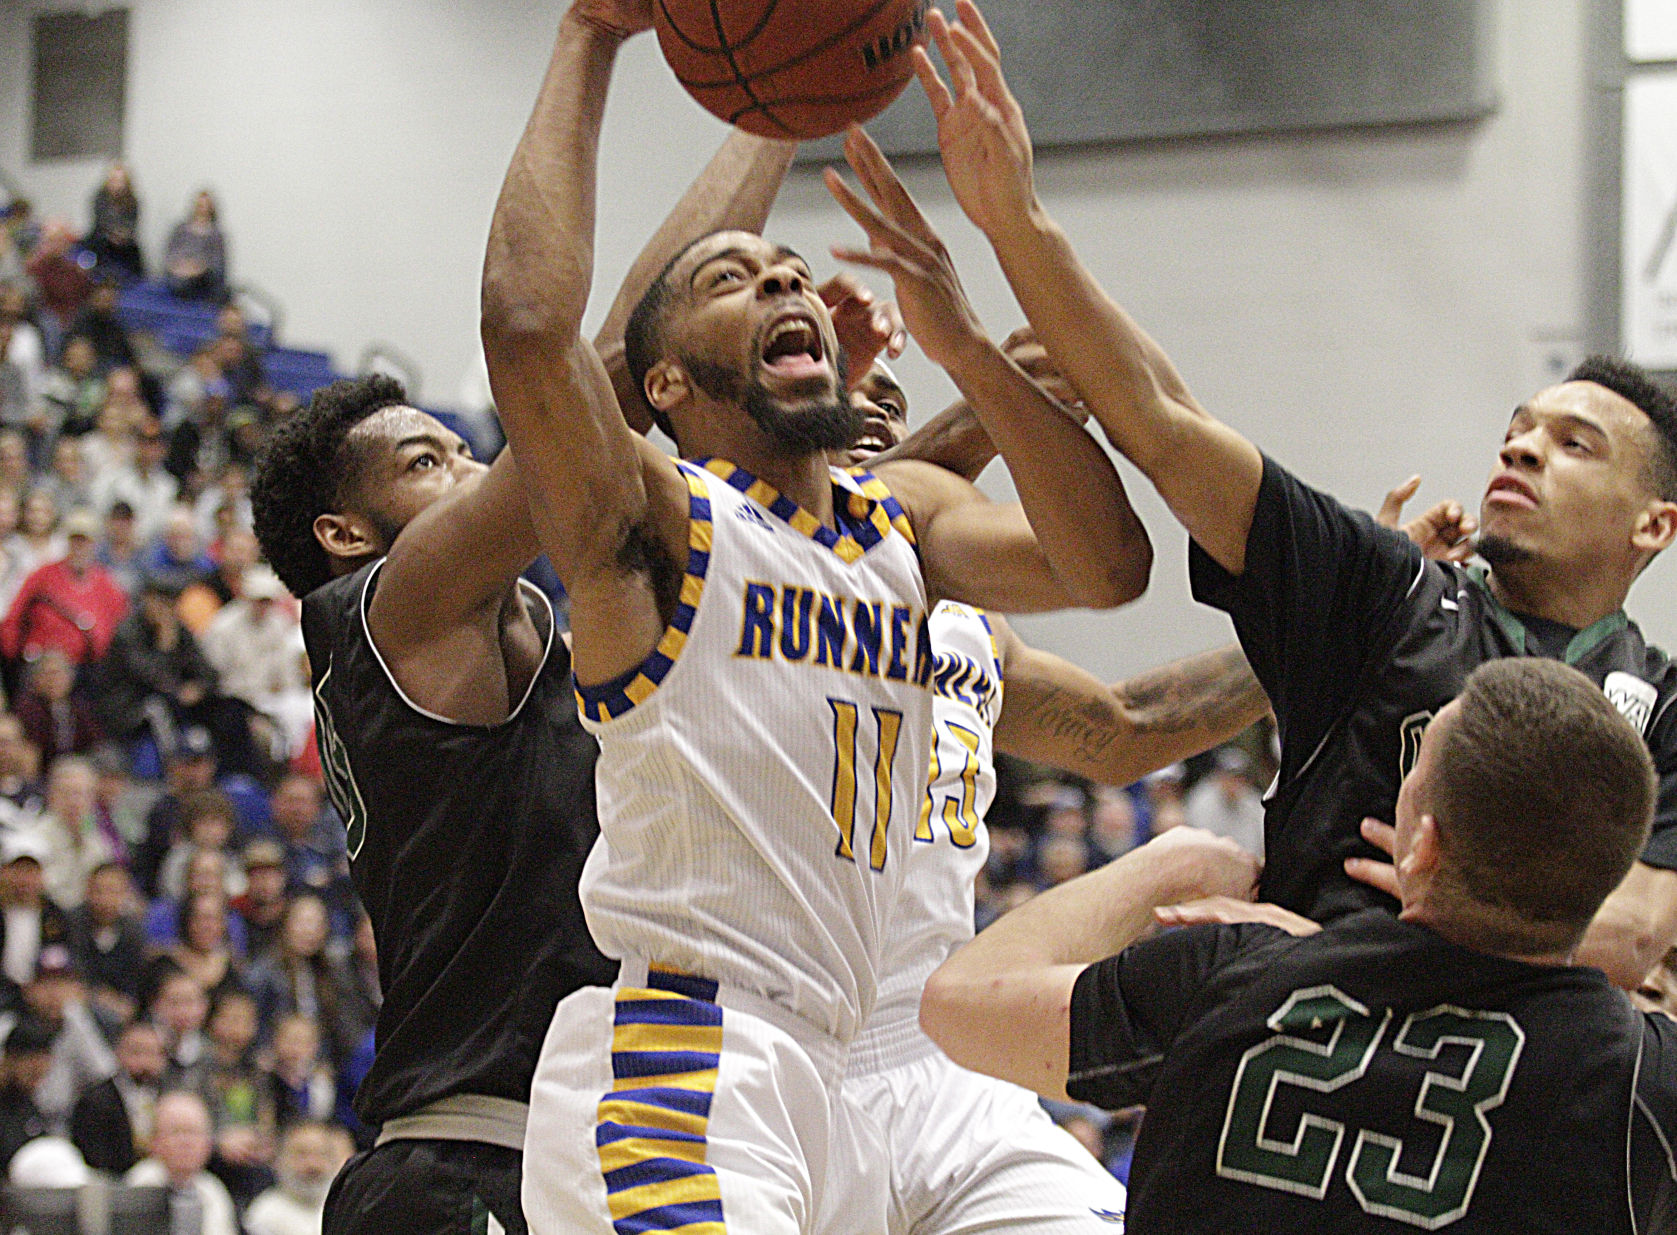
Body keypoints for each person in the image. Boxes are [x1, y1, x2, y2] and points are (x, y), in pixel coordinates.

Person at [488, 6, 1150, 1235]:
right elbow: (530, 332)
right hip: (689, 1058)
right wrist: (588, 35)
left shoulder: (902, 526)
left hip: (855, 1072)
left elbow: (1107, 567)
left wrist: (968, 350)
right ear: (666, 384)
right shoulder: (659, 520)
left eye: (789, 271)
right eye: (731, 279)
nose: (783, 277)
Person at [907, 0, 1677, 987]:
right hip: (1311, 1047)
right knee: (986, 992)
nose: (1522, 450)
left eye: (1572, 445)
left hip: (1505, 1078)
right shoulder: (1387, 588)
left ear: (1653, 522)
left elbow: (1632, 936)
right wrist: (1016, 219)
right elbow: (1166, 418)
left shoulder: (1660, 704)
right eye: (1516, 430)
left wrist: (1385, 925)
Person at [925, 658, 1677, 1231]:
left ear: (1419, 846)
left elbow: (959, 1003)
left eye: (1412, 773)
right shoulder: (1642, 1079)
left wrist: (1171, 861)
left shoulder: (1234, 974)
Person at [125, 1089, 239, 1235]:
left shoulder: (213, 1191)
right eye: (176, 1132)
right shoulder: (140, 1185)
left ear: (209, 1143)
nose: (186, 1142)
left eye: (194, 1132)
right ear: (155, 1141)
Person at [70, 1016, 166, 1175]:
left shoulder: (169, 1096)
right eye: (136, 1052)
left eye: (152, 1053)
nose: (144, 1061)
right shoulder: (95, 1101)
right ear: (118, 1052)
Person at [164, 191, 227, 303]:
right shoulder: (180, 229)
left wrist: (198, 268)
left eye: (205, 206)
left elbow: (218, 265)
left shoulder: (216, 235)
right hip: (178, 273)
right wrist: (180, 266)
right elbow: (170, 253)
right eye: (200, 206)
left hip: (203, 278)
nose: (202, 209)